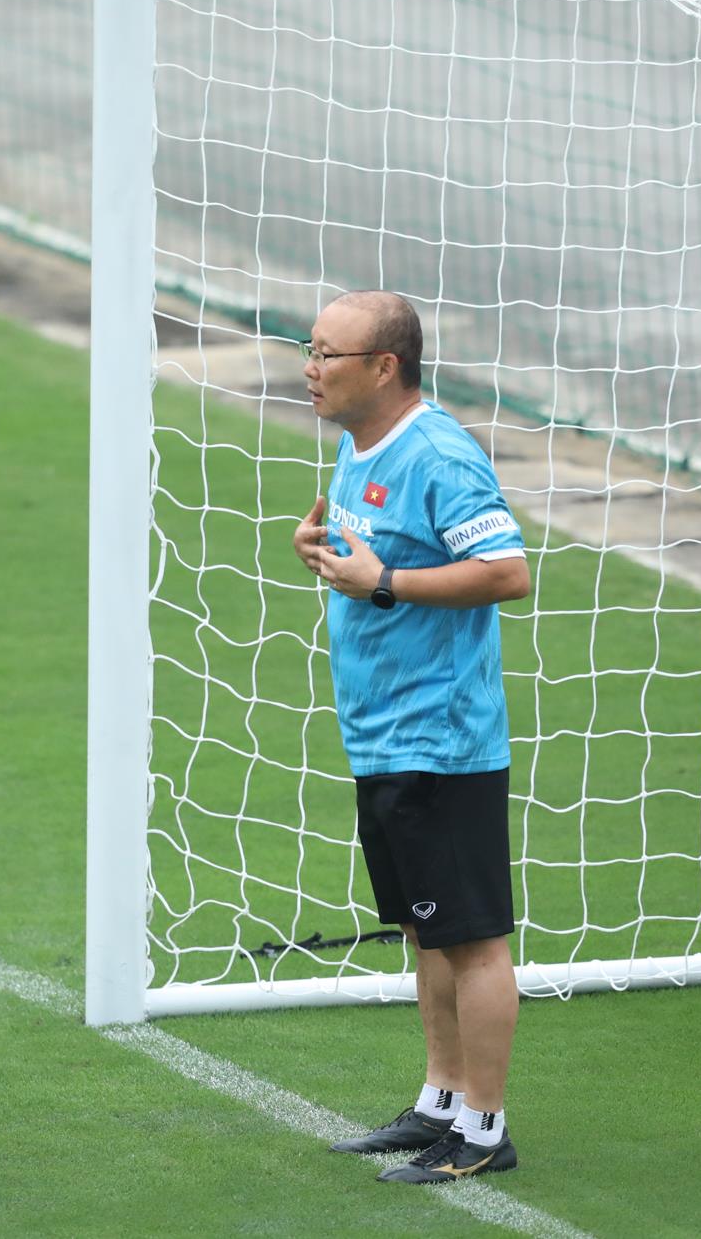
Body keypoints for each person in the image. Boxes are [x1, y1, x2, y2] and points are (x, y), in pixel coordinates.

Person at [290, 291, 532, 1185]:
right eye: (307, 348)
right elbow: (371, 567)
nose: (309, 368)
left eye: (327, 354)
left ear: (384, 365)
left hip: (443, 739)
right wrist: (326, 553)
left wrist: (382, 578)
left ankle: (484, 1126)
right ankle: (440, 1100)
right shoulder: (359, 448)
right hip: (384, 736)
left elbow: (508, 571)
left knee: (471, 939)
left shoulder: (438, 454)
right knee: (425, 932)